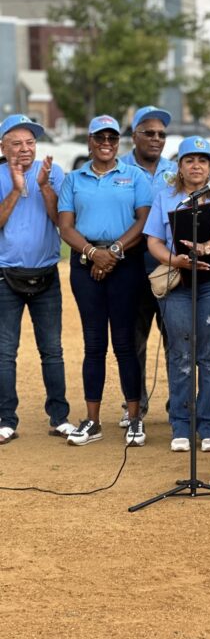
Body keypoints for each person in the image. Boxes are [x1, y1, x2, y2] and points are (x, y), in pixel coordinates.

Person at [58, 115, 152, 447]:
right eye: (100, 137)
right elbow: (65, 225)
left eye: (112, 138)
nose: (107, 143)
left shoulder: (134, 176)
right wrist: (91, 253)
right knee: (94, 344)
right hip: (86, 264)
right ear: (90, 141)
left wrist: (110, 252)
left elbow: (143, 221)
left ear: (118, 142)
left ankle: (135, 418)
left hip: (124, 262)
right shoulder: (74, 179)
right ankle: (93, 420)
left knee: (126, 344)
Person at [145, 136, 210, 452]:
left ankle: (209, 425)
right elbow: (153, 241)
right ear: (179, 165)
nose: (197, 165)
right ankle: (180, 425)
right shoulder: (166, 196)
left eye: (203, 160)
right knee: (180, 353)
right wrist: (172, 259)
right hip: (177, 281)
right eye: (190, 160)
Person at [0, 114, 74, 445]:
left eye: (30, 142)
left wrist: (43, 186)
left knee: (52, 350)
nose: (25, 149)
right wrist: (16, 189)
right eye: (16, 143)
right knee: (4, 352)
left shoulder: (53, 173)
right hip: (5, 275)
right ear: (3, 147)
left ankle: (59, 417)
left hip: (45, 273)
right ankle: (6, 419)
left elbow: (59, 220)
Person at [120, 105, 176, 425]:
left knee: (174, 338)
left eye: (161, 135)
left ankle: (178, 406)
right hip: (130, 263)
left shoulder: (175, 170)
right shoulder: (119, 167)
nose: (156, 139)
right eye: (149, 133)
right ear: (134, 136)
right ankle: (135, 405)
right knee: (135, 339)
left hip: (167, 264)